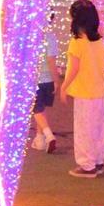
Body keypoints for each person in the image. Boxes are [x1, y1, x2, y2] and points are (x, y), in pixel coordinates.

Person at [61, 0, 104, 178]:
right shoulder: (99, 41)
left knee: (84, 129)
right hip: (98, 91)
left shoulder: (77, 43)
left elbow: (73, 68)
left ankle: (87, 165)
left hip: (84, 91)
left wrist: (64, 86)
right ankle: (98, 160)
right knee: (99, 127)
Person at [30, 13, 61, 154]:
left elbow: (49, 60)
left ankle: (49, 135)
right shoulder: (51, 37)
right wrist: (56, 80)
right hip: (48, 80)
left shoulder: (32, 37)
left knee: (36, 110)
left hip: (35, 79)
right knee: (41, 109)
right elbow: (52, 60)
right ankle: (39, 139)